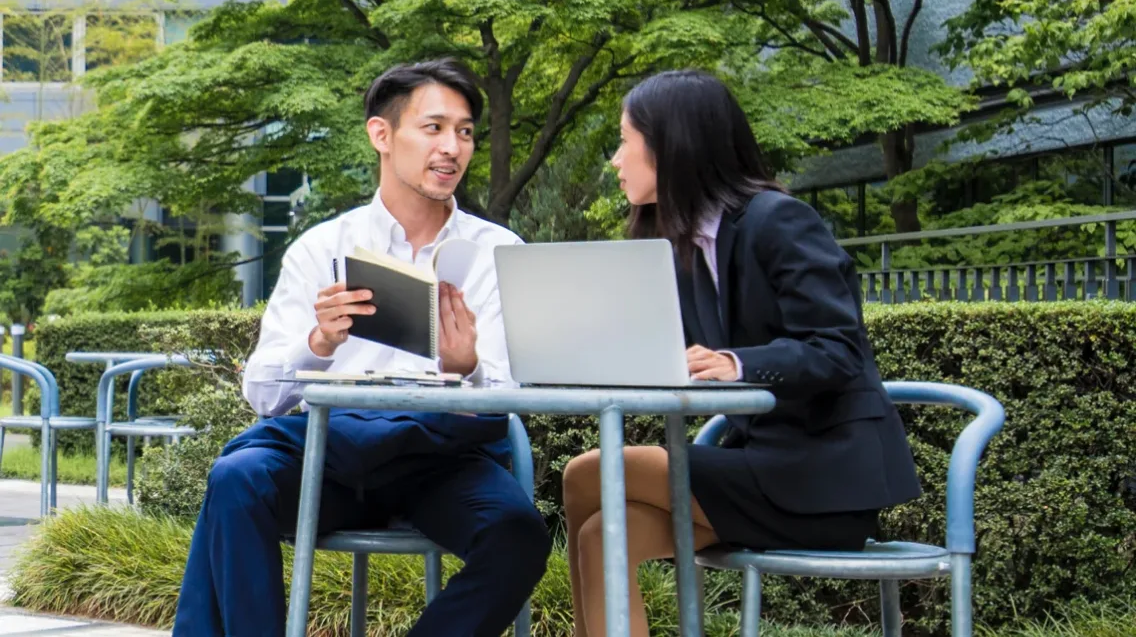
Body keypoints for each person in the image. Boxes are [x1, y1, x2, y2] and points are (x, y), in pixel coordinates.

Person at [172, 58, 551, 637]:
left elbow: (514, 398)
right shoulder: (322, 247)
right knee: (237, 478)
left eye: (466, 131)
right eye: (433, 127)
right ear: (382, 134)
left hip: (442, 459)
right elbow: (263, 396)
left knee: (518, 532)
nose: (452, 146)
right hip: (332, 452)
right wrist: (318, 342)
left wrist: (467, 367)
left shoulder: (499, 250)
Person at [560, 69, 923, 636]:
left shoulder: (779, 221)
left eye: (624, 140)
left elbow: (837, 350)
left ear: (670, 143)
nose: (615, 159)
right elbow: (675, 355)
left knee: (590, 471)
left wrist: (738, 363)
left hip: (821, 478)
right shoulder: (680, 246)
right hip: (762, 468)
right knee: (602, 535)